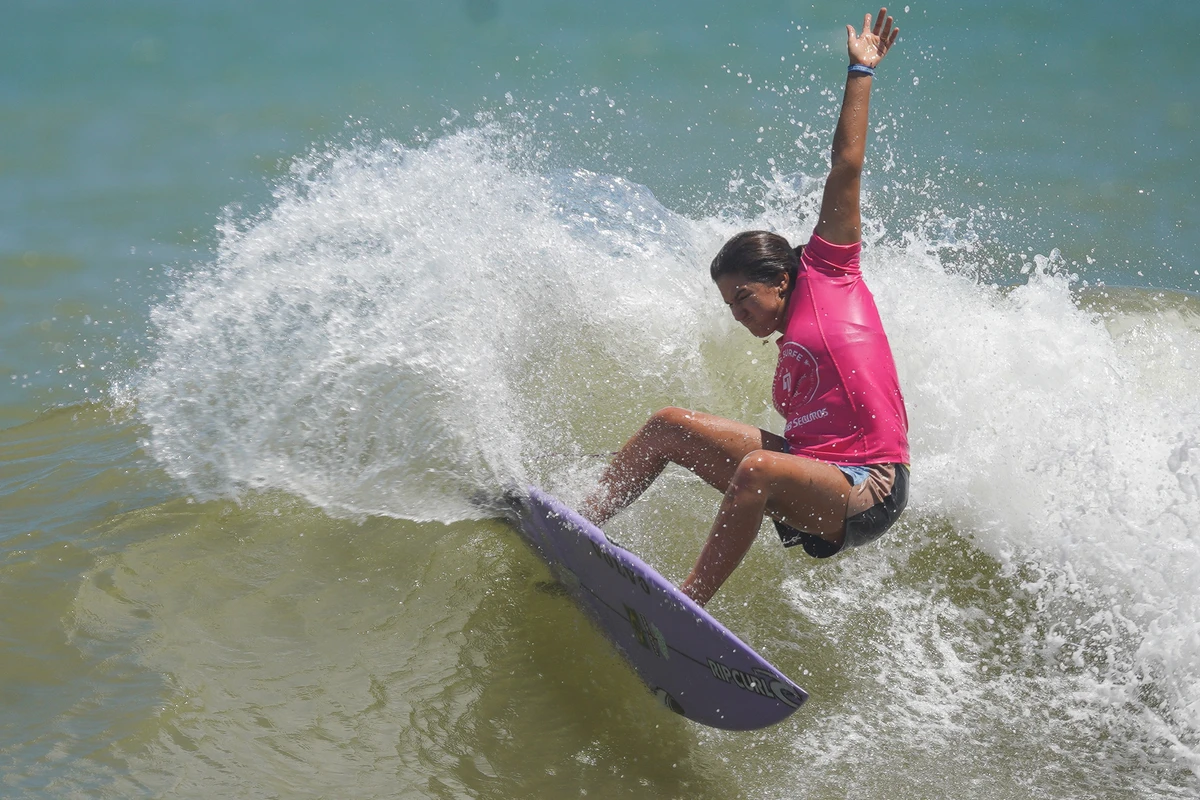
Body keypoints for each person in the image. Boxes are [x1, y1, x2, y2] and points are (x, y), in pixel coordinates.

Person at [580, 9, 910, 607]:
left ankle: (689, 604)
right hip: (812, 471)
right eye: (728, 303)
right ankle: (582, 525)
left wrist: (860, 69)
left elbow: (847, 166)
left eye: (742, 297)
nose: (737, 312)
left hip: (869, 486)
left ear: (781, 279)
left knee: (757, 466)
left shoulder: (831, 273)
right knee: (666, 427)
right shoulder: (788, 347)